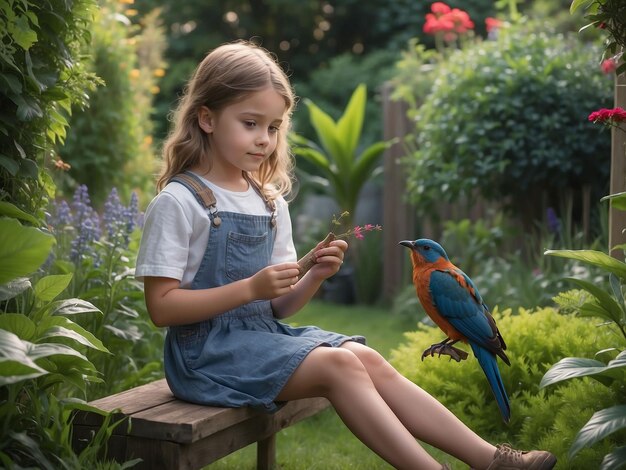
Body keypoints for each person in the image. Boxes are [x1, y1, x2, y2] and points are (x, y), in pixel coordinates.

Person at [135, 40, 556, 470]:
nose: (264, 139)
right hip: (204, 358)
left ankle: (491, 461)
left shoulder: (269, 202)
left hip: (259, 341)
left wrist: (313, 276)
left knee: (365, 357)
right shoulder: (180, 202)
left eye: (274, 127)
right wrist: (249, 288)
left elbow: (277, 307)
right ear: (206, 117)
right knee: (340, 365)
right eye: (250, 123)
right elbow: (162, 308)